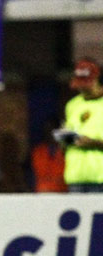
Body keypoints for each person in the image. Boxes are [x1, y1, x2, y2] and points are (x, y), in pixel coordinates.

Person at [60, 59, 103, 192]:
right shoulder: (72, 105)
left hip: (100, 178)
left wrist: (93, 143)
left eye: (86, 84)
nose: (81, 88)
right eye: (79, 84)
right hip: (75, 178)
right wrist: (65, 139)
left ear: (97, 80)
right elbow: (66, 142)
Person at [29, 117, 67, 193]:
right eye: (48, 130)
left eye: (54, 130)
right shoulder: (38, 151)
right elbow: (38, 172)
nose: (51, 134)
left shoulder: (67, 152)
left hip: (62, 193)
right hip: (42, 193)